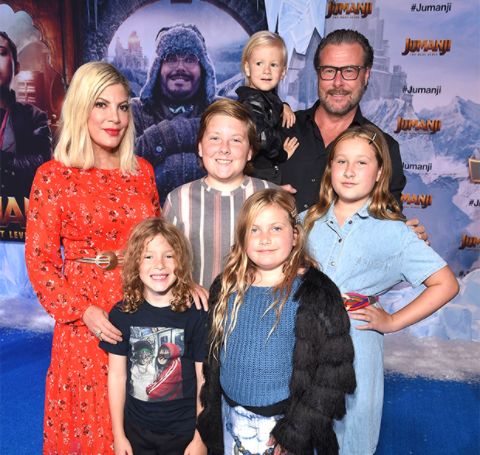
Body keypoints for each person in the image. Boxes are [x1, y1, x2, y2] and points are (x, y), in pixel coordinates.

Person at [25, 62, 160, 454]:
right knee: (90, 421)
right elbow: (40, 262)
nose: (114, 118)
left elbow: (157, 244)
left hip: (142, 310)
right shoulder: (53, 177)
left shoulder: (142, 172)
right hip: (84, 321)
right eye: (101, 105)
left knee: (144, 417)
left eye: (122, 107)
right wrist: (82, 311)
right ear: (80, 108)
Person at [302, 124, 459, 455]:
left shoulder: (394, 232)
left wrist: (393, 321)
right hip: (300, 348)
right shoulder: (304, 223)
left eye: (362, 162)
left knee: (351, 436)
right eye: (341, 161)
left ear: (379, 174)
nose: (349, 171)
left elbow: (445, 283)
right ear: (329, 169)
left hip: (357, 349)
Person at [197, 189, 356, 455]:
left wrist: (295, 432)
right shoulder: (225, 286)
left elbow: (332, 375)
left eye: (276, 228)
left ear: (294, 235)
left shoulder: (316, 292)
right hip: (229, 419)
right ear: (242, 238)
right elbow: (211, 362)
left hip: (284, 427)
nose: (265, 238)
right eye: (254, 230)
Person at [101, 217, 207, 455]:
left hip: (184, 433)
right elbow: (117, 376)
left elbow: (204, 380)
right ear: (135, 263)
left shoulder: (196, 314)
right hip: (136, 432)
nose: (159, 264)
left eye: (169, 256)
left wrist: (200, 437)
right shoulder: (121, 314)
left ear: (181, 262)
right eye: (148, 256)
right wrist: (118, 435)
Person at [279, 29, 406, 212]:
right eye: (329, 70)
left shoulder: (384, 147)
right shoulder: (279, 128)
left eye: (349, 71)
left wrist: (402, 227)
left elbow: (388, 218)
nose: (338, 83)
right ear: (318, 74)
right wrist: (265, 194)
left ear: (366, 75)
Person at [163, 98, 277, 289]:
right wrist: (187, 286)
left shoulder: (272, 197)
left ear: (250, 151)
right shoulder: (178, 200)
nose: (224, 149)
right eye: (215, 138)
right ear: (200, 147)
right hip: (196, 306)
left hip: (258, 305)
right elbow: (162, 261)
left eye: (236, 140)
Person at [132, 23, 216, 203]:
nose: (180, 68)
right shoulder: (135, 111)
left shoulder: (222, 110)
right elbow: (125, 166)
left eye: (190, 59)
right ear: (157, 69)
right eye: (171, 58)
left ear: (204, 68)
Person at [0, 31, 51, 222]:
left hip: (20, 220)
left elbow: (42, 165)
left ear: (17, 67)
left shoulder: (35, 117)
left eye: (1, 52)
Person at [236, 31, 298, 184]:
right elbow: (262, 138)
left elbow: (271, 102)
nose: (266, 71)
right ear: (247, 68)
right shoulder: (252, 102)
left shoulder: (262, 97)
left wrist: (284, 106)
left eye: (273, 65)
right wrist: (282, 154)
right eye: (259, 63)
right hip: (258, 172)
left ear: (283, 72)